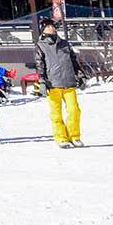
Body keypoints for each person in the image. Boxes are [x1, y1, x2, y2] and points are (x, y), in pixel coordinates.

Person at [33, 19, 84, 147]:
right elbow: (40, 65)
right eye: (47, 26)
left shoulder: (65, 44)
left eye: (52, 26)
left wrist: (80, 76)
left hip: (68, 82)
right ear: (42, 30)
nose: (51, 28)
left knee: (74, 110)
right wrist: (42, 81)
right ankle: (61, 138)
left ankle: (74, 136)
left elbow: (74, 61)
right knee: (56, 113)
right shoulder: (40, 46)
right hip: (52, 84)